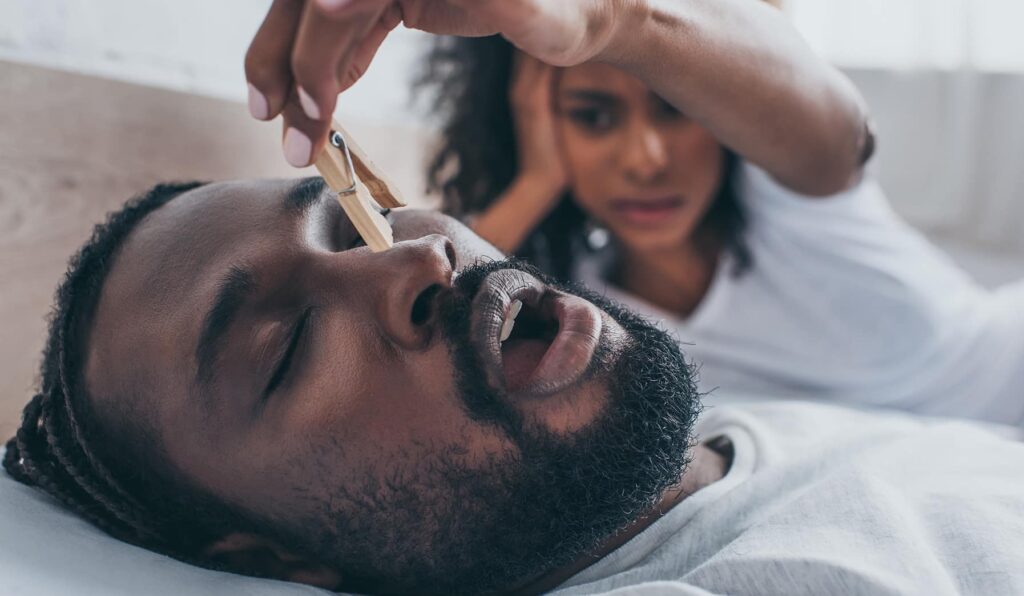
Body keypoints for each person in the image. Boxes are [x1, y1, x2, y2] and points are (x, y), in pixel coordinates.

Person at [5, 178, 1024, 595]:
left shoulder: (749, 430)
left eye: (361, 212)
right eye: (284, 349)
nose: (416, 264)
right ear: (272, 555)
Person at [244, 0, 1024, 424]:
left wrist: (614, 20)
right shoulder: (575, 304)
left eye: (672, 113)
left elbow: (832, 132)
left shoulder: (797, 203)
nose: (645, 157)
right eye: (592, 116)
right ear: (533, 122)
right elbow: (447, 316)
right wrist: (535, 180)